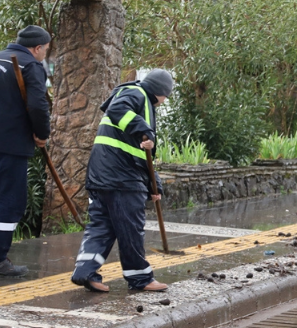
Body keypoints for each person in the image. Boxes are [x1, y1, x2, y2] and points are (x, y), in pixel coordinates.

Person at [71, 69, 174, 292]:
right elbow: (117, 109)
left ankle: (85, 271)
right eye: (166, 95)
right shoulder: (137, 95)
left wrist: (152, 183)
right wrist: (146, 130)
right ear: (158, 91)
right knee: (130, 228)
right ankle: (140, 278)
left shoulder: (134, 98)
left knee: (102, 226)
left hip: (102, 176)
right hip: (122, 178)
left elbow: (138, 154)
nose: (165, 101)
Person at [0, 26, 52, 277]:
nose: (44, 55)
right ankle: (0, 258)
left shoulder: (1, 58)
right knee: (9, 201)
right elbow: (38, 105)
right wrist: (42, 134)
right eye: (46, 50)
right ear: (38, 47)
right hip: (11, 145)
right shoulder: (30, 66)